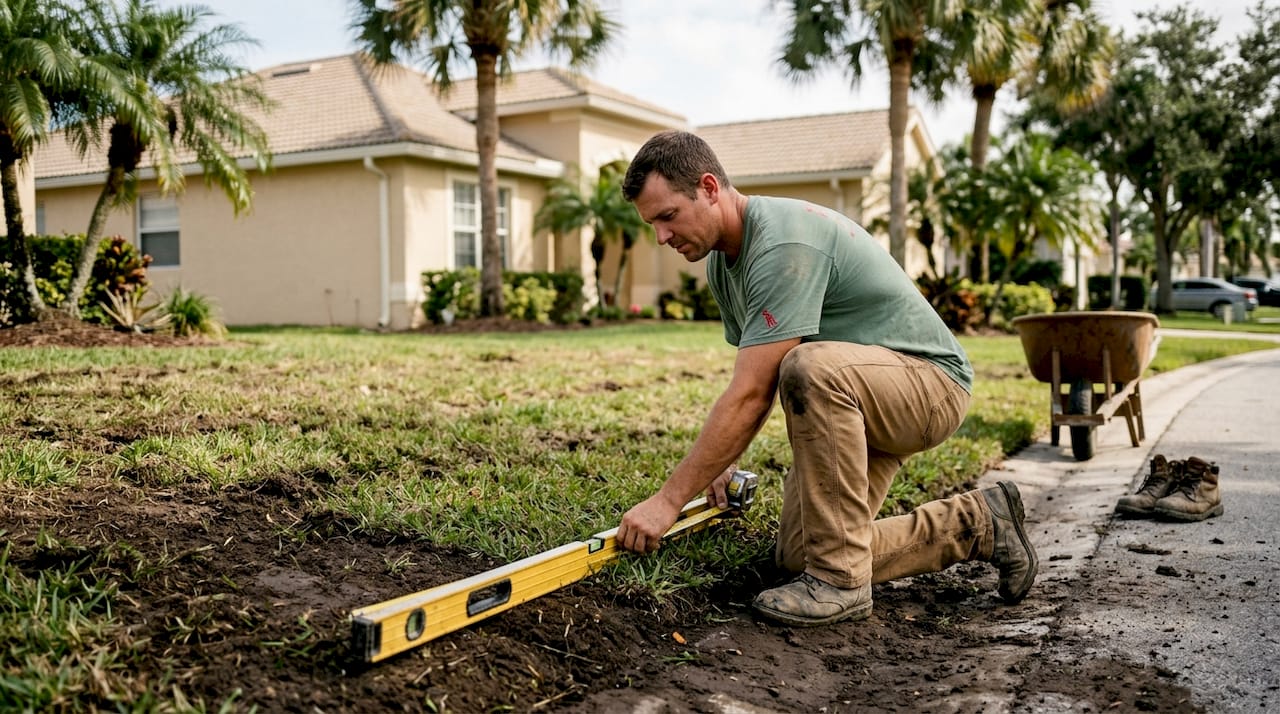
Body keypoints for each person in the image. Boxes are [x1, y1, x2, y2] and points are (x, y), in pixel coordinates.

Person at [614, 130, 1038, 626]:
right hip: (861, 394)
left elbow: (756, 393)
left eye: (667, 217)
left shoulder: (781, 242)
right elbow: (751, 380)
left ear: (709, 187)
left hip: (928, 387)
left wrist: (669, 501)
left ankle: (841, 583)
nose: (661, 237)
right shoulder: (724, 265)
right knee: (800, 557)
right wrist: (716, 465)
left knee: (809, 366)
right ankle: (978, 523)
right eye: (652, 225)